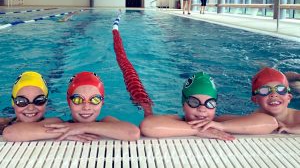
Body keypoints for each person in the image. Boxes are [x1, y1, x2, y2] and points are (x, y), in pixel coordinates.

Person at [140, 72, 278, 140]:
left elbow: (270, 123)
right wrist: (196, 130)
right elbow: (148, 126)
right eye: (194, 102)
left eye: (210, 103)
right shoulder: (175, 120)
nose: (202, 108)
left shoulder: (219, 122)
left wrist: (222, 127)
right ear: (183, 105)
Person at [44, 72, 140, 141]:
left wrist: (83, 127)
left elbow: (133, 133)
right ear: (69, 101)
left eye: (95, 100)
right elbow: (27, 132)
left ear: (102, 102)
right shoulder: (58, 123)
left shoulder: (106, 122)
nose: (86, 107)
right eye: (78, 99)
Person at [2, 71, 62, 141]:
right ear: (13, 103)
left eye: (39, 100)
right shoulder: (5, 122)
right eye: (21, 101)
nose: (31, 108)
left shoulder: (54, 122)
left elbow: (9, 133)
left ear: (46, 102)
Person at [251, 67, 300, 134]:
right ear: (255, 99)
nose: (274, 94)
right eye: (264, 90)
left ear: (289, 98)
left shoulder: (296, 116)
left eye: (280, 89)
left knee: (296, 86)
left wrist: (291, 128)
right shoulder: (255, 118)